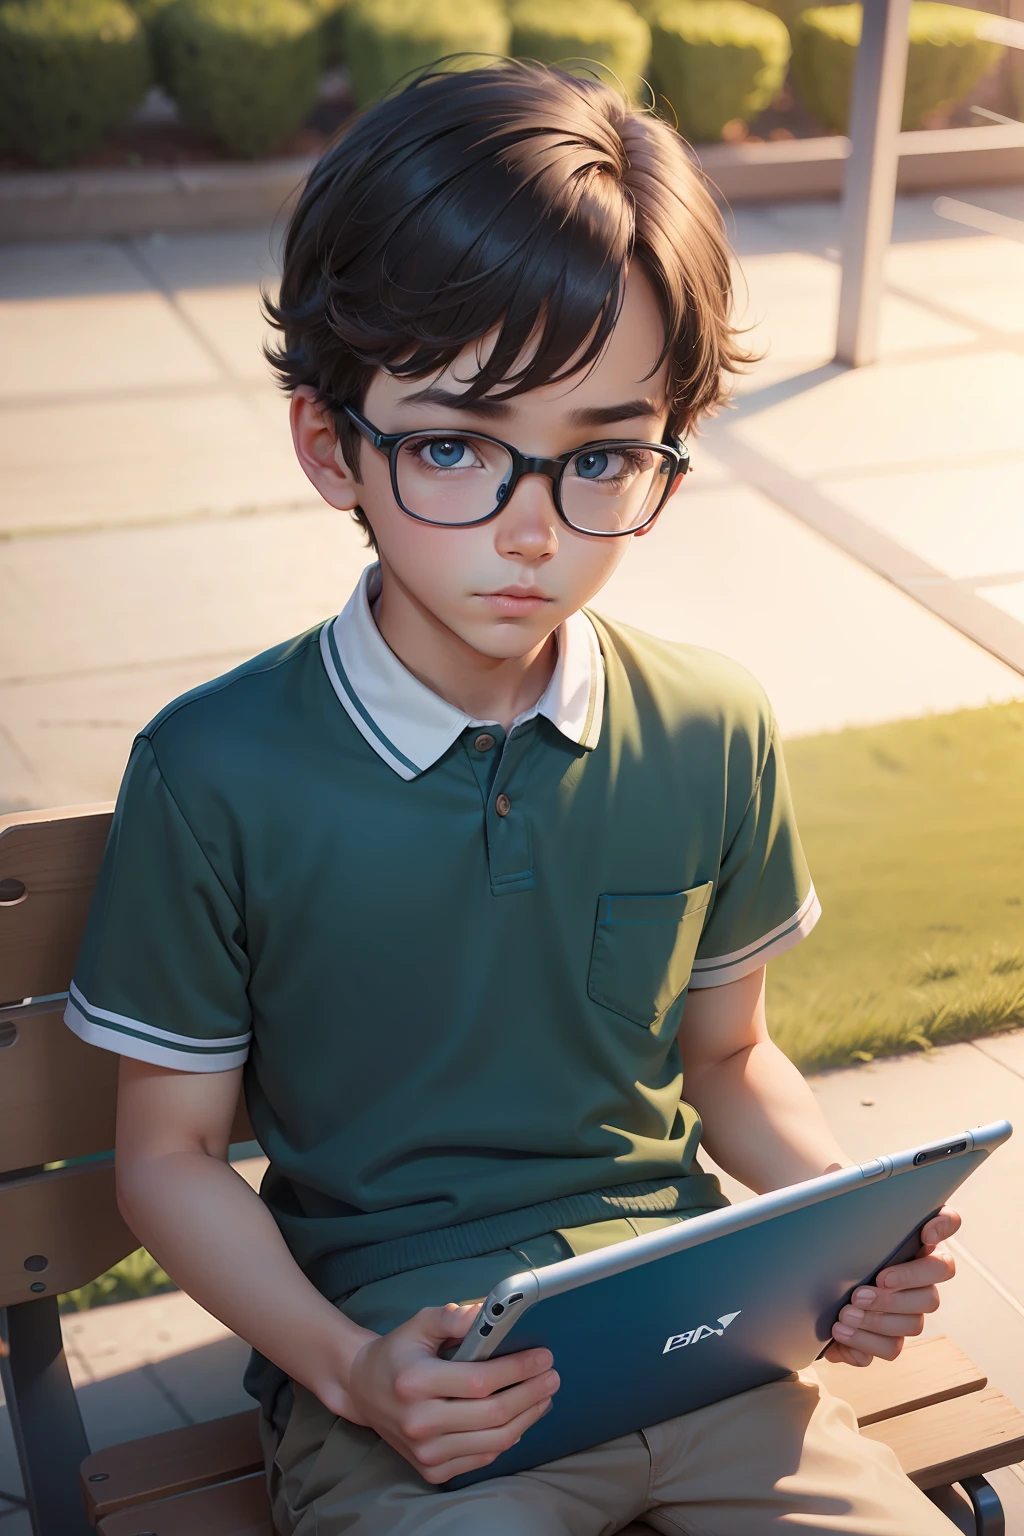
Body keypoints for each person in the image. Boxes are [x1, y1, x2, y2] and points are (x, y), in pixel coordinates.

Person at [65, 62, 963, 1536]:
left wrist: (845, 1234)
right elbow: (164, 1161)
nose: (531, 531)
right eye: (452, 447)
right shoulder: (213, 771)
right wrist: (349, 1368)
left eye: (601, 454)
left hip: (710, 1353)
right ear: (327, 445)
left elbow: (729, 1062)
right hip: (412, 1393)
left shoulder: (710, 727)